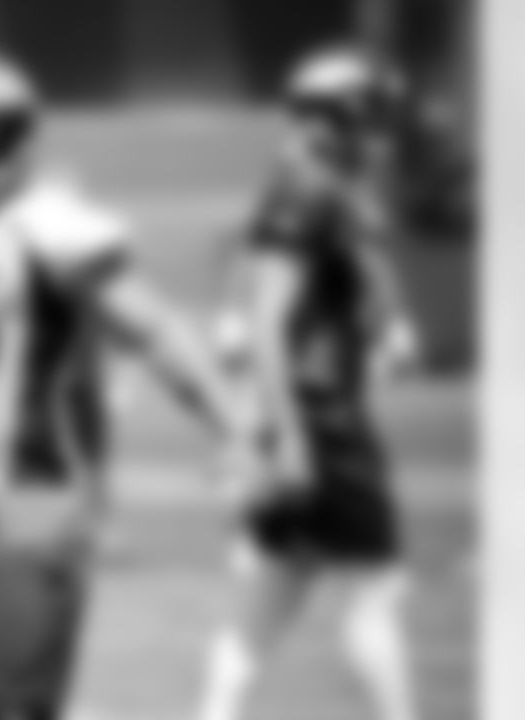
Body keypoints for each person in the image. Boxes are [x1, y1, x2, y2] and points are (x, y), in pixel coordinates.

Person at [0, 49, 246, 720]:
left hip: (23, 507)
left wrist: (236, 428)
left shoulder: (50, 224)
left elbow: (154, 329)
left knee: (14, 711)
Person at [196, 46, 423, 720]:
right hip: (321, 422)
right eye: (370, 113)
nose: (379, 130)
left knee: (266, 598)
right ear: (338, 115)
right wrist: (291, 437)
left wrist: (380, 325)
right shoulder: (308, 185)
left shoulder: (314, 182)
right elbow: (268, 320)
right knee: (375, 592)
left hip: (304, 416)